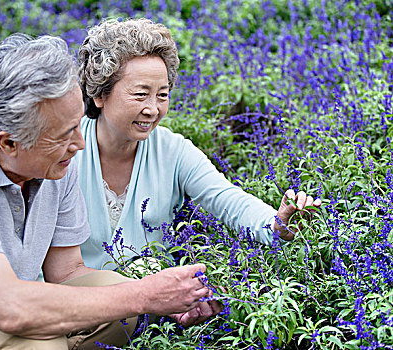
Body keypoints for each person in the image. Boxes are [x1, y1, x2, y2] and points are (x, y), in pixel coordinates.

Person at [0, 33, 221, 350]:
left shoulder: (51, 165)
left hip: (3, 322)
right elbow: (10, 309)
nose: (80, 144)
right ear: (9, 142)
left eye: (76, 126)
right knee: (39, 345)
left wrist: (164, 301)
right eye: (65, 134)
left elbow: (67, 272)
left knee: (117, 299)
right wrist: (146, 295)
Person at [76, 18, 322, 270]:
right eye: (140, 94)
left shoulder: (173, 151)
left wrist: (275, 224)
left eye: (162, 95)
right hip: (75, 299)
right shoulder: (67, 150)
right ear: (99, 94)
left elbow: (226, 198)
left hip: (154, 302)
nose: (152, 109)